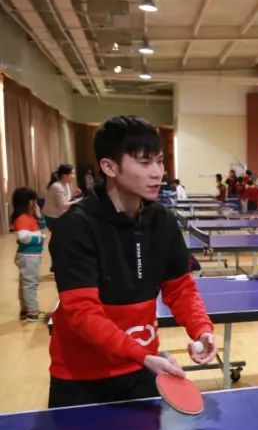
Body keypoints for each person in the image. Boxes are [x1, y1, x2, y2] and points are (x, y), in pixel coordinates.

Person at [47, 116, 216, 408]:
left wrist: (202, 328)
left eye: (159, 161)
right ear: (109, 167)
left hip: (142, 368)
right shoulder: (75, 226)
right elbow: (82, 313)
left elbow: (180, 289)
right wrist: (141, 355)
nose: (158, 172)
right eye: (144, 162)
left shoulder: (163, 221)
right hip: (81, 377)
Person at [12, 187, 47, 321]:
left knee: (25, 283)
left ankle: (25, 310)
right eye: (33, 201)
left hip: (30, 255)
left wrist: (39, 216)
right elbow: (23, 237)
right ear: (26, 202)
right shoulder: (22, 218)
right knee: (30, 284)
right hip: (28, 256)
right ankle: (33, 312)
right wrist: (40, 238)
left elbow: (42, 228)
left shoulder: (30, 217)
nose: (35, 203)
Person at [43, 164, 78, 231]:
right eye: (72, 173)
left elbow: (65, 199)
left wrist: (73, 195)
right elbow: (62, 205)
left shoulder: (66, 184)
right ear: (64, 176)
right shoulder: (57, 187)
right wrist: (77, 201)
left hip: (60, 215)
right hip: (53, 217)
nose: (74, 176)